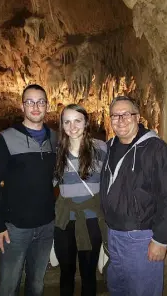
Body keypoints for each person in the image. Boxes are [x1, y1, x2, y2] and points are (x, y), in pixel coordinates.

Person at [100, 96, 167, 296]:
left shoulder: (156, 149)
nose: (120, 120)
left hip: (141, 238)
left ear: (137, 117)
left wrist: (161, 239)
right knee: (117, 289)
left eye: (126, 114)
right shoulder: (109, 147)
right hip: (113, 234)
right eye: (115, 115)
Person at [0, 84, 57, 296]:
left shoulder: (55, 138)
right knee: (8, 285)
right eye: (30, 102)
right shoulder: (6, 139)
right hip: (14, 229)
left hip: (46, 227)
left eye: (40, 102)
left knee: (36, 285)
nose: (35, 107)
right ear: (22, 106)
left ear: (47, 106)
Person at [54, 104, 107, 296]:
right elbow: (47, 182)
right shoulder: (57, 151)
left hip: (92, 219)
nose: (72, 126)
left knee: (88, 274)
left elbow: (111, 180)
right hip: (65, 220)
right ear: (62, 125)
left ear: (86, 123)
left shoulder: (101, 148)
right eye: (67, 121)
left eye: (77, 120)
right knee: (66, 273)